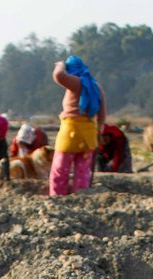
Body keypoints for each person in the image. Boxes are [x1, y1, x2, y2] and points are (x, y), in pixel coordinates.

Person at [50, 56, 106, 196]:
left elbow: (58, 76)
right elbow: (102, 116)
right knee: (82, 173)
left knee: (60, 170)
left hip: (70, 134)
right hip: (88, 136)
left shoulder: (76, 82)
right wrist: (98, 133)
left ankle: (57, 197)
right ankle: (80, 198)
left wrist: (60, 65)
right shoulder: (96, 87)